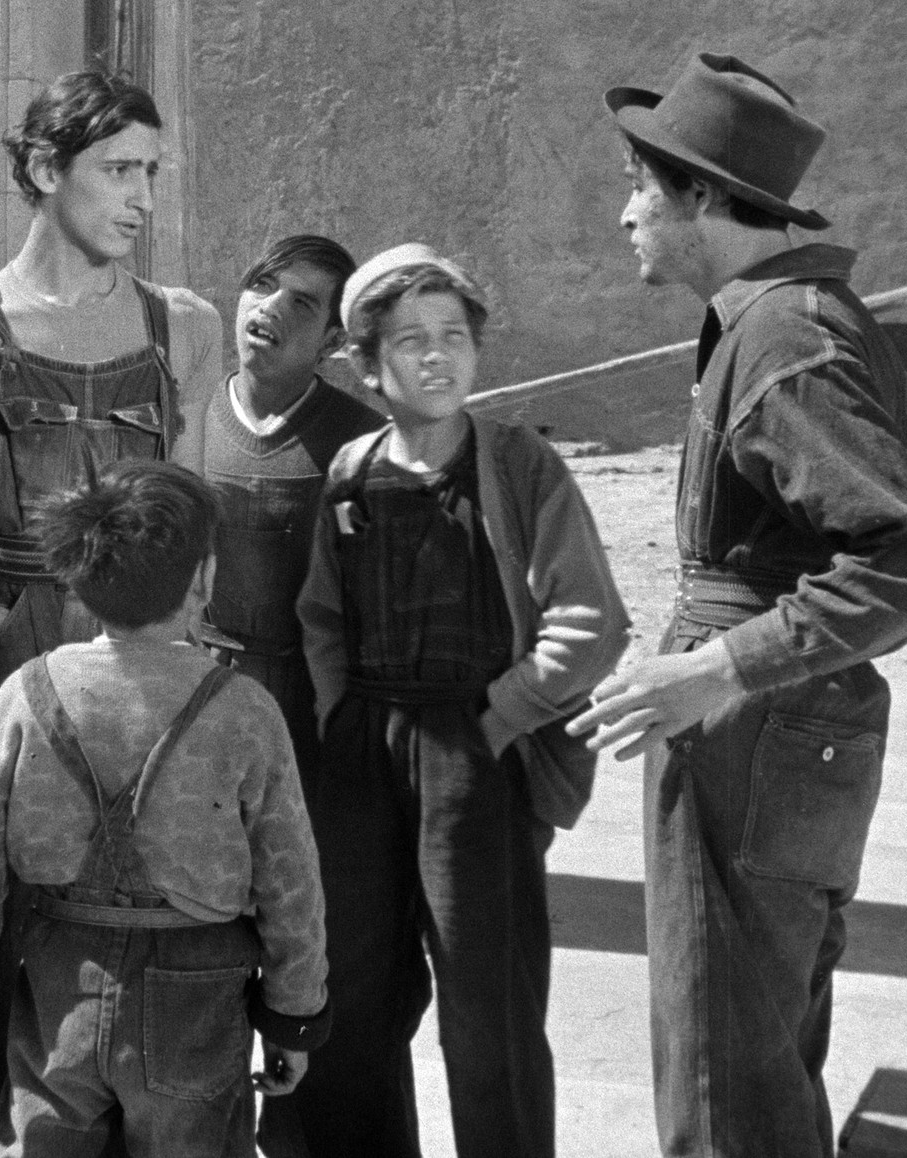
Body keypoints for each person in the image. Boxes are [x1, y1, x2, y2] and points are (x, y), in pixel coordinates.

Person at [569, 53, 907, 1157]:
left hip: (756, 728)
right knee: (754, 1061)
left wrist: (713, 669)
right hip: (777, 725)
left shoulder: (786, 337)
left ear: (699, 197)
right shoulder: (777, 320)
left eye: (639, 188)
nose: (624, 213)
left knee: (723, 1081)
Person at [0, 69, 222, 1154]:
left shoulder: (183, 327)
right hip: (10, 659)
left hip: (146, 666)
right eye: (118, 170)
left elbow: (192, 516)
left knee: (153, 927)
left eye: (151, 172)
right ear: (41, 168)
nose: (142, 198)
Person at [294, 244, 630, 1157]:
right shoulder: (352, 471)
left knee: (489, 1008)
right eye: (411, 341)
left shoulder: (518, 464)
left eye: (454, 336)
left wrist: (498, 720)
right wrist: (340, 719)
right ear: (368, 365)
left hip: (475, 755)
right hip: (365, 751)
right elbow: (323, 617)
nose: (438, 356)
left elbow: (592, 620)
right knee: (348, 989)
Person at [0, 461, 329, 1156]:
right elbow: (291, 880)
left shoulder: (26, 695)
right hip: (198, 993)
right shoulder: (245, 712)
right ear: (203, 580)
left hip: (56, 987)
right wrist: (294, 1016)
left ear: (78, 578)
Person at [197, 233, 384, 780]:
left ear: (333, 340)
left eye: (302, 303)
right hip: (196, 690)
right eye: (262, 285)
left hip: (310, 705)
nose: (270, 307)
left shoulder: (362, 441)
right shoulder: (186, 413)